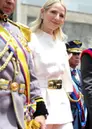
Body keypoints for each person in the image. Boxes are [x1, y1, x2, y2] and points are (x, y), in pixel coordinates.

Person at [0, 0, 48, 129]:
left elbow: (30, 74)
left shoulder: (19, 31)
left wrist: (40, 109)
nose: (10, 1)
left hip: (21, 114)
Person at [28, 0, 74, 128]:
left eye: (61, 15)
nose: (57, 18)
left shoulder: (61, 44)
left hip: (61, 103)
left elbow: (66, 79)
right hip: (38, 101)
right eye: (53, 12)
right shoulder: (29, 39)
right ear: (42, 12)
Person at [66, 40, 87, 129]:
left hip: (82, 117)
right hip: (70, 116)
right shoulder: (64, 74)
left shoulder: (81, 74)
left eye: (79, 54)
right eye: (74, 54)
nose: (77, 56)